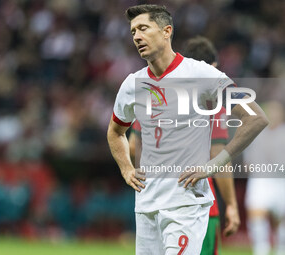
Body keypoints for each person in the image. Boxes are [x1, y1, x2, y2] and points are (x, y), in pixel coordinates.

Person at [107, 4, 268, 255]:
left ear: (166, 31)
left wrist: (216, 163)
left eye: (143, 28)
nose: (136, 36)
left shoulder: (202, 74)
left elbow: (255, 118)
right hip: (146, 205)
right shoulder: (132, 84)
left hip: (186, 204)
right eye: (133, 31)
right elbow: (116, 131)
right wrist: (126, 168)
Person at [128, 36, 241, 255]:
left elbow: (133, 146)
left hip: (154, 202)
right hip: (195, 203)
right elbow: (217, 152)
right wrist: (232, 205)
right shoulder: (210, 99)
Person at [244, 101, 285, 255]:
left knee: (281, 218)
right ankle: (261, 250)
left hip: (281, 181)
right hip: (260, 180)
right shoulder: (256, 133)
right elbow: (247, 161)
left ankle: (281, 249)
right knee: (256, 213)